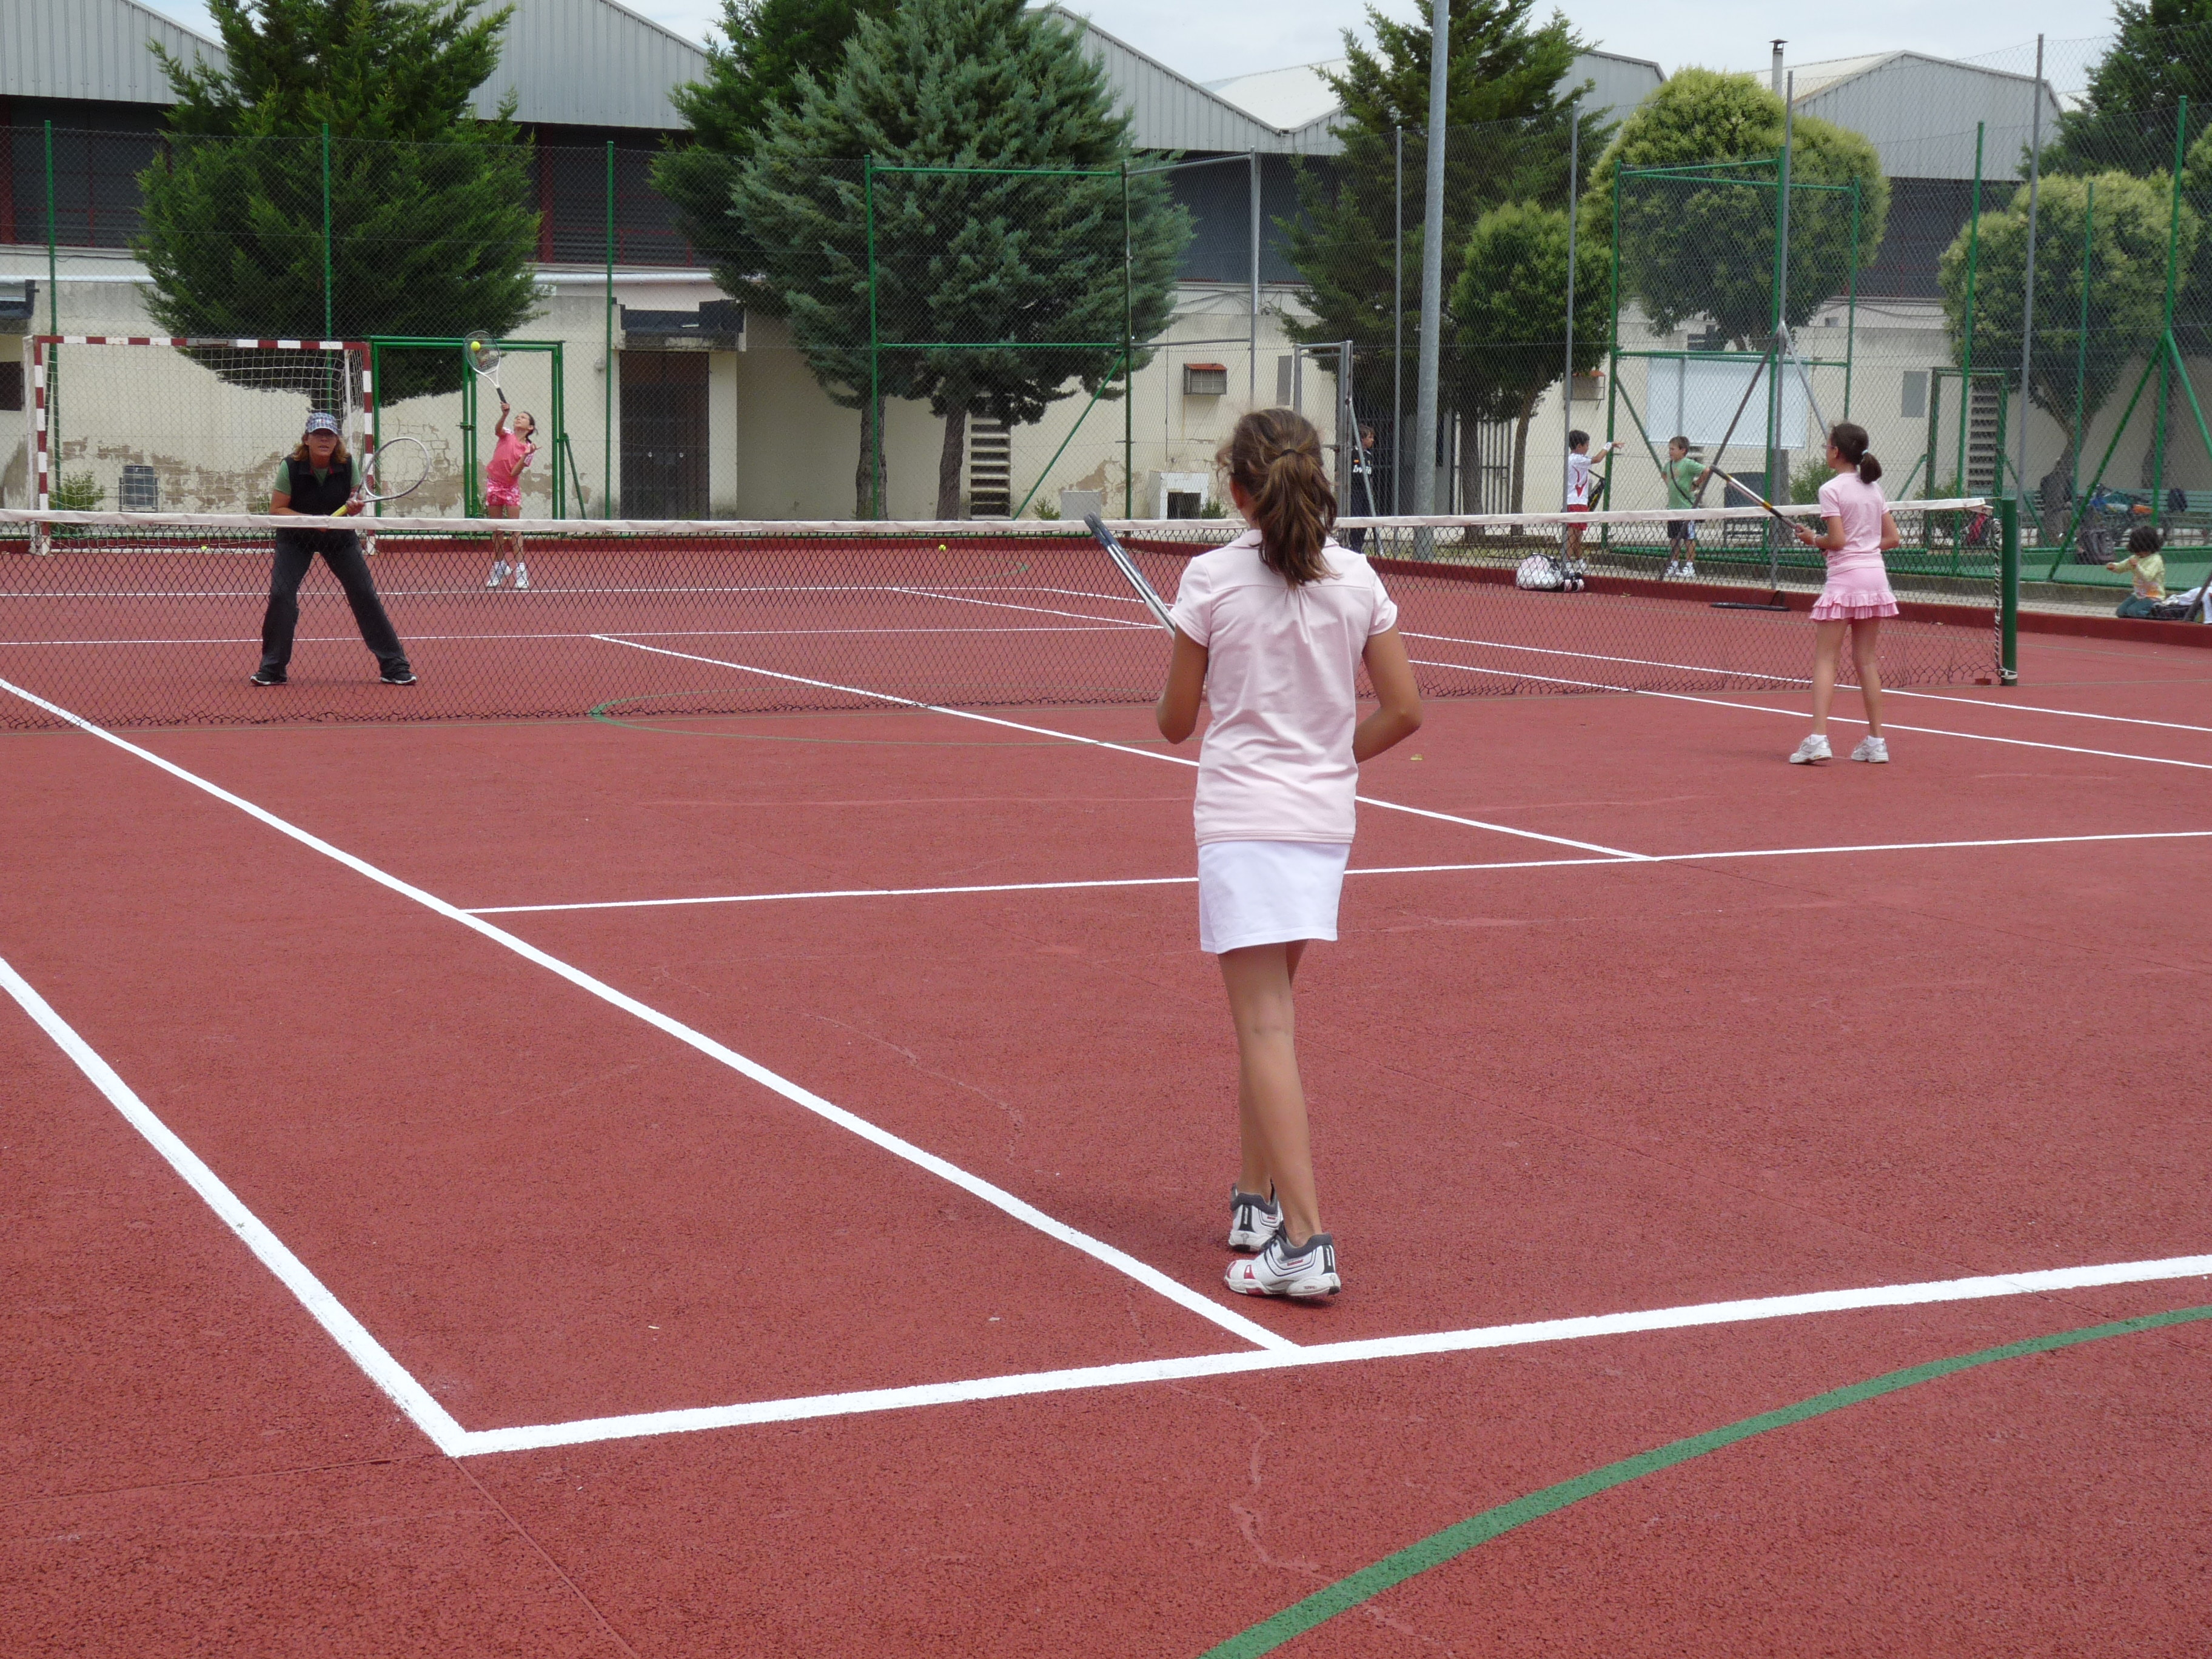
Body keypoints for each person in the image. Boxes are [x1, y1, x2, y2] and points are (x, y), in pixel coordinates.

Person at [1156, 408, 1423, 1300]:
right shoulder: (1357, 577)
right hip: (1320, 826)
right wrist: (1329, 757)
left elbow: (1174, 723)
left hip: (1244, 822)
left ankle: (1305, 1243)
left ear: (1238, 489)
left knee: (1266, 1026)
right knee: (1265, 1020)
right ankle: (1253, 1200)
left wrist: (1187, 659)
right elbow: (1404, 711)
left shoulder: (1210, 578)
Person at [252, 412, 415, 688]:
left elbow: (353, 503)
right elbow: (277, 510)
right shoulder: (289, 467)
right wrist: (313, 522)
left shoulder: (348, 465)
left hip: (339, 538)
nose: (324, 440)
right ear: (307, 439)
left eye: (329, 435)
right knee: (281, 595)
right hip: (295, 538)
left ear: (336, 441)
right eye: (318, 434)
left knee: (364, 594)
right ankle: (273, 668)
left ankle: (394, 666)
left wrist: (354, 507)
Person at [1788, 421, 1897, 764]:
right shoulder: (1874, 488)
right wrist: (1857, 547)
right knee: (1867, 660)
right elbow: (1892, 539)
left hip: (1846, 580)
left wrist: (1814, 540)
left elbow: (1836, 540)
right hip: (1875, 579)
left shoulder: (1831, 489)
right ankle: (1877, 743)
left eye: (1827, 446)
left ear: (1837, 451)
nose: (1826, 451)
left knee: (1826, 659)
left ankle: (1818, 739)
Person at [484, 398, 538, 590]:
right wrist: (504, 414)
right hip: (493, 484)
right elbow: (497, 429)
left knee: (515, 529)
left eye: (523, 418)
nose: (518, 418)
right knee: (497, 529)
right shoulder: (506, 434)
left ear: (530, 427)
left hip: (511, 488)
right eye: (517, 416)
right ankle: (499, 568)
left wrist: (526, 455)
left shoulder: (529, 449)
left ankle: (521, 573)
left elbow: (514, 472)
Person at [1563, 429, 1621, 574]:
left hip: (1581, 502)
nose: (1588, 448)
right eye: (1587, 445)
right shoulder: (1576, 459)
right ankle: (1567, 562)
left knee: (1578, 534)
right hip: (1574, 502)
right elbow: (1598, 459)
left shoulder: (1579, 460)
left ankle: (1579, 560)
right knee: (1572, 533)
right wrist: (1609, 445)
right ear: (1579, 446)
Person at [1661, 435, 1713, 578]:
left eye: (1673, 449)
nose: (1670, 452)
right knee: (1674, 538)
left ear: (1683, 450)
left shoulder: (1688, 464)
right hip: (1673, 508)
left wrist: (1696, 484)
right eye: (1670, 449)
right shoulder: (1669, 465)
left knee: (1688, 538)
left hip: (1687, 509)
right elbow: (1664, 474)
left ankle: (1690, 567)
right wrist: (1669, 484)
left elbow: (1706, 471)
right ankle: (1674, 564)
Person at [2106, 525, 2167, 618]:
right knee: (2121, 611)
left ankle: (2155, 618)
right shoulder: (2135, 558)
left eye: (2142, 551)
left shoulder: (2156, 560)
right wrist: (2113, 566)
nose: (2139, 554)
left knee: (2133, 611)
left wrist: (2137, 566)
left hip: (2154, 596)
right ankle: (2130, 625)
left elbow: (2147, 577)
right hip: (2139, 595)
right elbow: (2122, 567)